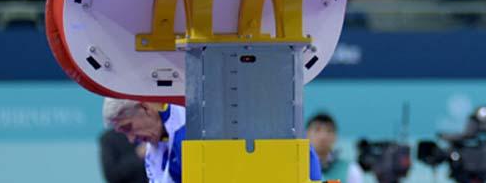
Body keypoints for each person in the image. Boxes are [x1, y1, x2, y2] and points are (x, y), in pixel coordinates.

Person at [103, 98, 323, 182]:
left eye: (128, 128)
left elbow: (301, 150)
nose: (131, 139)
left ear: (145, 108)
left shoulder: (195, 127)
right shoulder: (155, 148)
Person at [307, 112, 364, 183]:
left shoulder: (351, 169)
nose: (323, 136)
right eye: (317, 130)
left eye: (329, 131)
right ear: (306, 134)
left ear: (335, 137)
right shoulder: (298, 167)